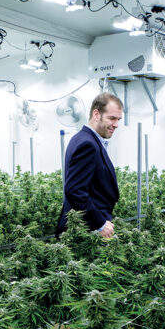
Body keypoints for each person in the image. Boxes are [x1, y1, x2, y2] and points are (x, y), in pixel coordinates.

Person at [56, 92, 123, 238]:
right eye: (112, 118)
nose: (116, 124)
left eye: (118, 119)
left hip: (88, 227)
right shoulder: (87, 144)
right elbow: (75, 190)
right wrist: (99, 224)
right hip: (84, 230)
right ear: (96, 114)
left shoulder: (84, 138)